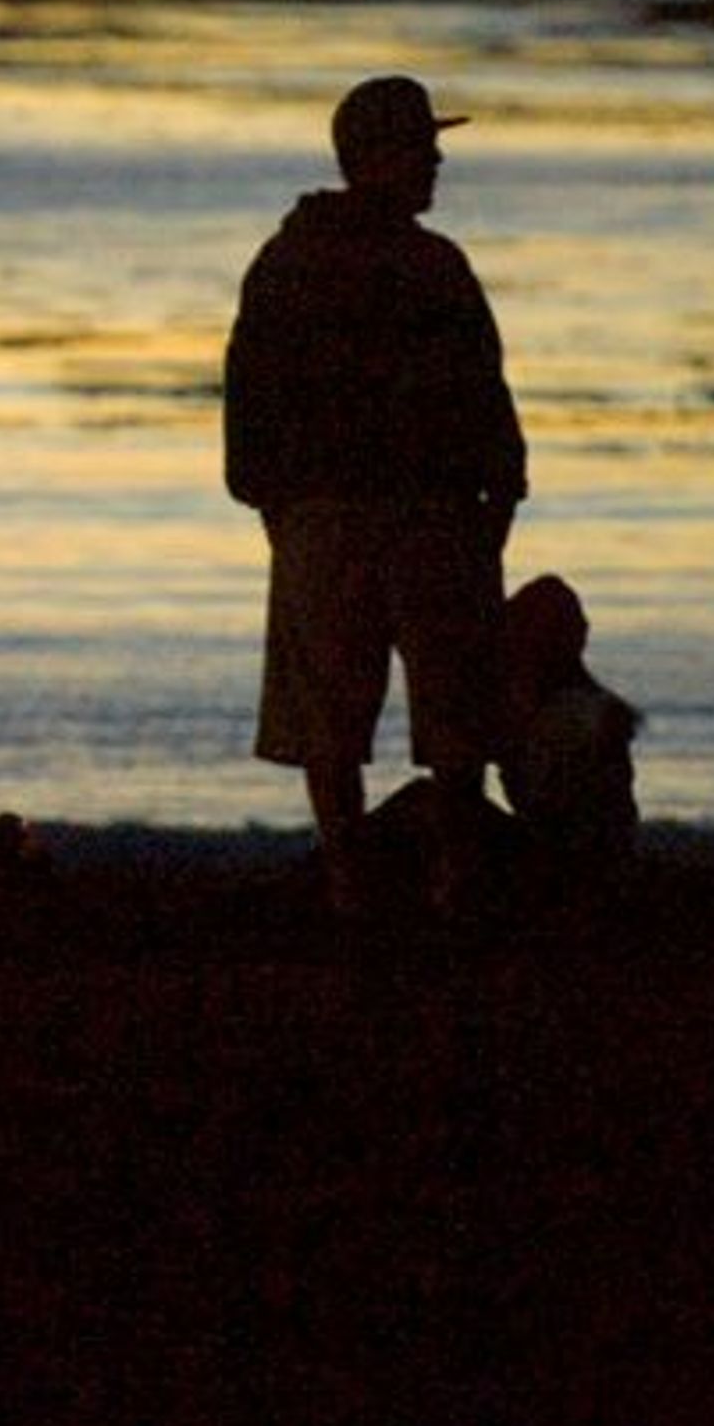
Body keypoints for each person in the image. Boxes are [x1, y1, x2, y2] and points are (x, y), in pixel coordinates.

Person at [223, 75, 526, 919]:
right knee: (439, 707)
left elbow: (248, 401)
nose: (436, 162)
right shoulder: (423, 265)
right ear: (375, 158)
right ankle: (429, 878)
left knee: (345, 710)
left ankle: (364, 879)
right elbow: (484, 392)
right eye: (422, 148)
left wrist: (272, 502)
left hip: (371, 514)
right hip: (405, 514)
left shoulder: (296, 260)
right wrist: (498, 494)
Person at [496, 572, 642, 872]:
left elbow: (556, 816)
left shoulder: (571, 716)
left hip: (568, 862)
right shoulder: (581, 707)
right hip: (578, 854)